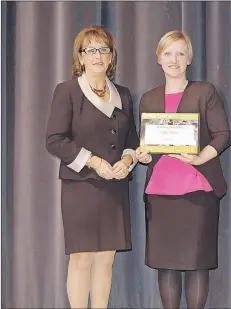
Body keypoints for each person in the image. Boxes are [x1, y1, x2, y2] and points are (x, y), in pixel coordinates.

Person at [136, 30, 231, 309]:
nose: (174, 60)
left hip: (198, 192)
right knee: (166, 265)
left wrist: (201, 158)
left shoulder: (205, 92)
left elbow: (223, 135)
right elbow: (145, 144)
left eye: (180, 53)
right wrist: (142, 153)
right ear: (158, 58)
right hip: (160, 193)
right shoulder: (149, 99)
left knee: (196, 264)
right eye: (168, 53)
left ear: (189, 58)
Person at [46, 25, 139, 308]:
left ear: (112, 57)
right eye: (91, 49)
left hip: (114, 187)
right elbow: (54, 140)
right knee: (82, 257)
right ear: (81, 57)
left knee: (106, 258)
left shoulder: (123, 94)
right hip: (81, 186)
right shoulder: (68, 91)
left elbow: (131, 140)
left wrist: (127, 160)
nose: (98, 55)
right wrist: (95, 161)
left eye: (104, 49)